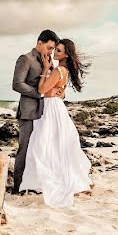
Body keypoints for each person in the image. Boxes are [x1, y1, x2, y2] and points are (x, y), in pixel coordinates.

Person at [18, 38, 93, 208]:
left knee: (43, 145)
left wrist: (45, 69)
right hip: (55, 107)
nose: (54, 53)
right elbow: (58, 90)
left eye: (58, 50)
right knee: (52, 144)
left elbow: (42, 90)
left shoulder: (58, 69)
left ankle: (41, 181)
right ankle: (39, 181)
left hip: (51, 109)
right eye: (54, 49)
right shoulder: (62, 70)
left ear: (66, 54)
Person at [11, 29, 63, 194]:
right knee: (25, 149)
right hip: (28, 111)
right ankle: (18, 187)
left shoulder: (50, 62)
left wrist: (59, 91)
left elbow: (51, 83)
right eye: (48, 48)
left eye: (53, 49)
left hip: (45, 112)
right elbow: (17, 84)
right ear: (39, 43)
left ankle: (34, 184)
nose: (50, 52)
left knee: (41, 149)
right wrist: (40, 93)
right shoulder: (25, 59)